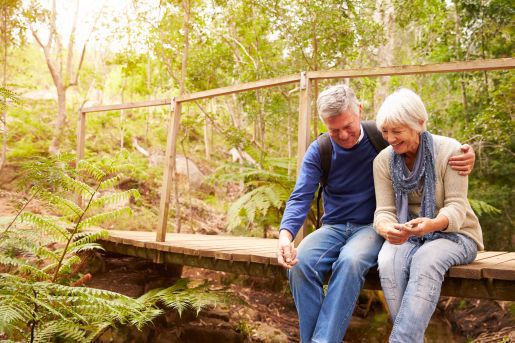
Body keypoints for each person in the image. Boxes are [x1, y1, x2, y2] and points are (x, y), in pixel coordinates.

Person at [277, 84, 476, 343]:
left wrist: (468, 152)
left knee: (350, 261)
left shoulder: (381, 137)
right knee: (300, 263)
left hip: (370, 228)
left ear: (358, 110)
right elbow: (301, 195)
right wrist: (285, 236)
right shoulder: (321, 150)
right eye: (334, 130)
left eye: (348, 126)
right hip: (334, 226)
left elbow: (424, 139)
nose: (344, 135)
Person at [373, 88, 483, 343]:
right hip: (407, 236)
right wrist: (387, 228)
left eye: (397, 131)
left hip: (455, 235)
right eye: (385, 132)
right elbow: (384, 211)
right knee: (387, 260)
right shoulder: (383, 161)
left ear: (419, 124)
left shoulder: (452, 152)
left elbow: (456, 206)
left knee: (425, 259)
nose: (390, 138)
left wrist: (432, 224)